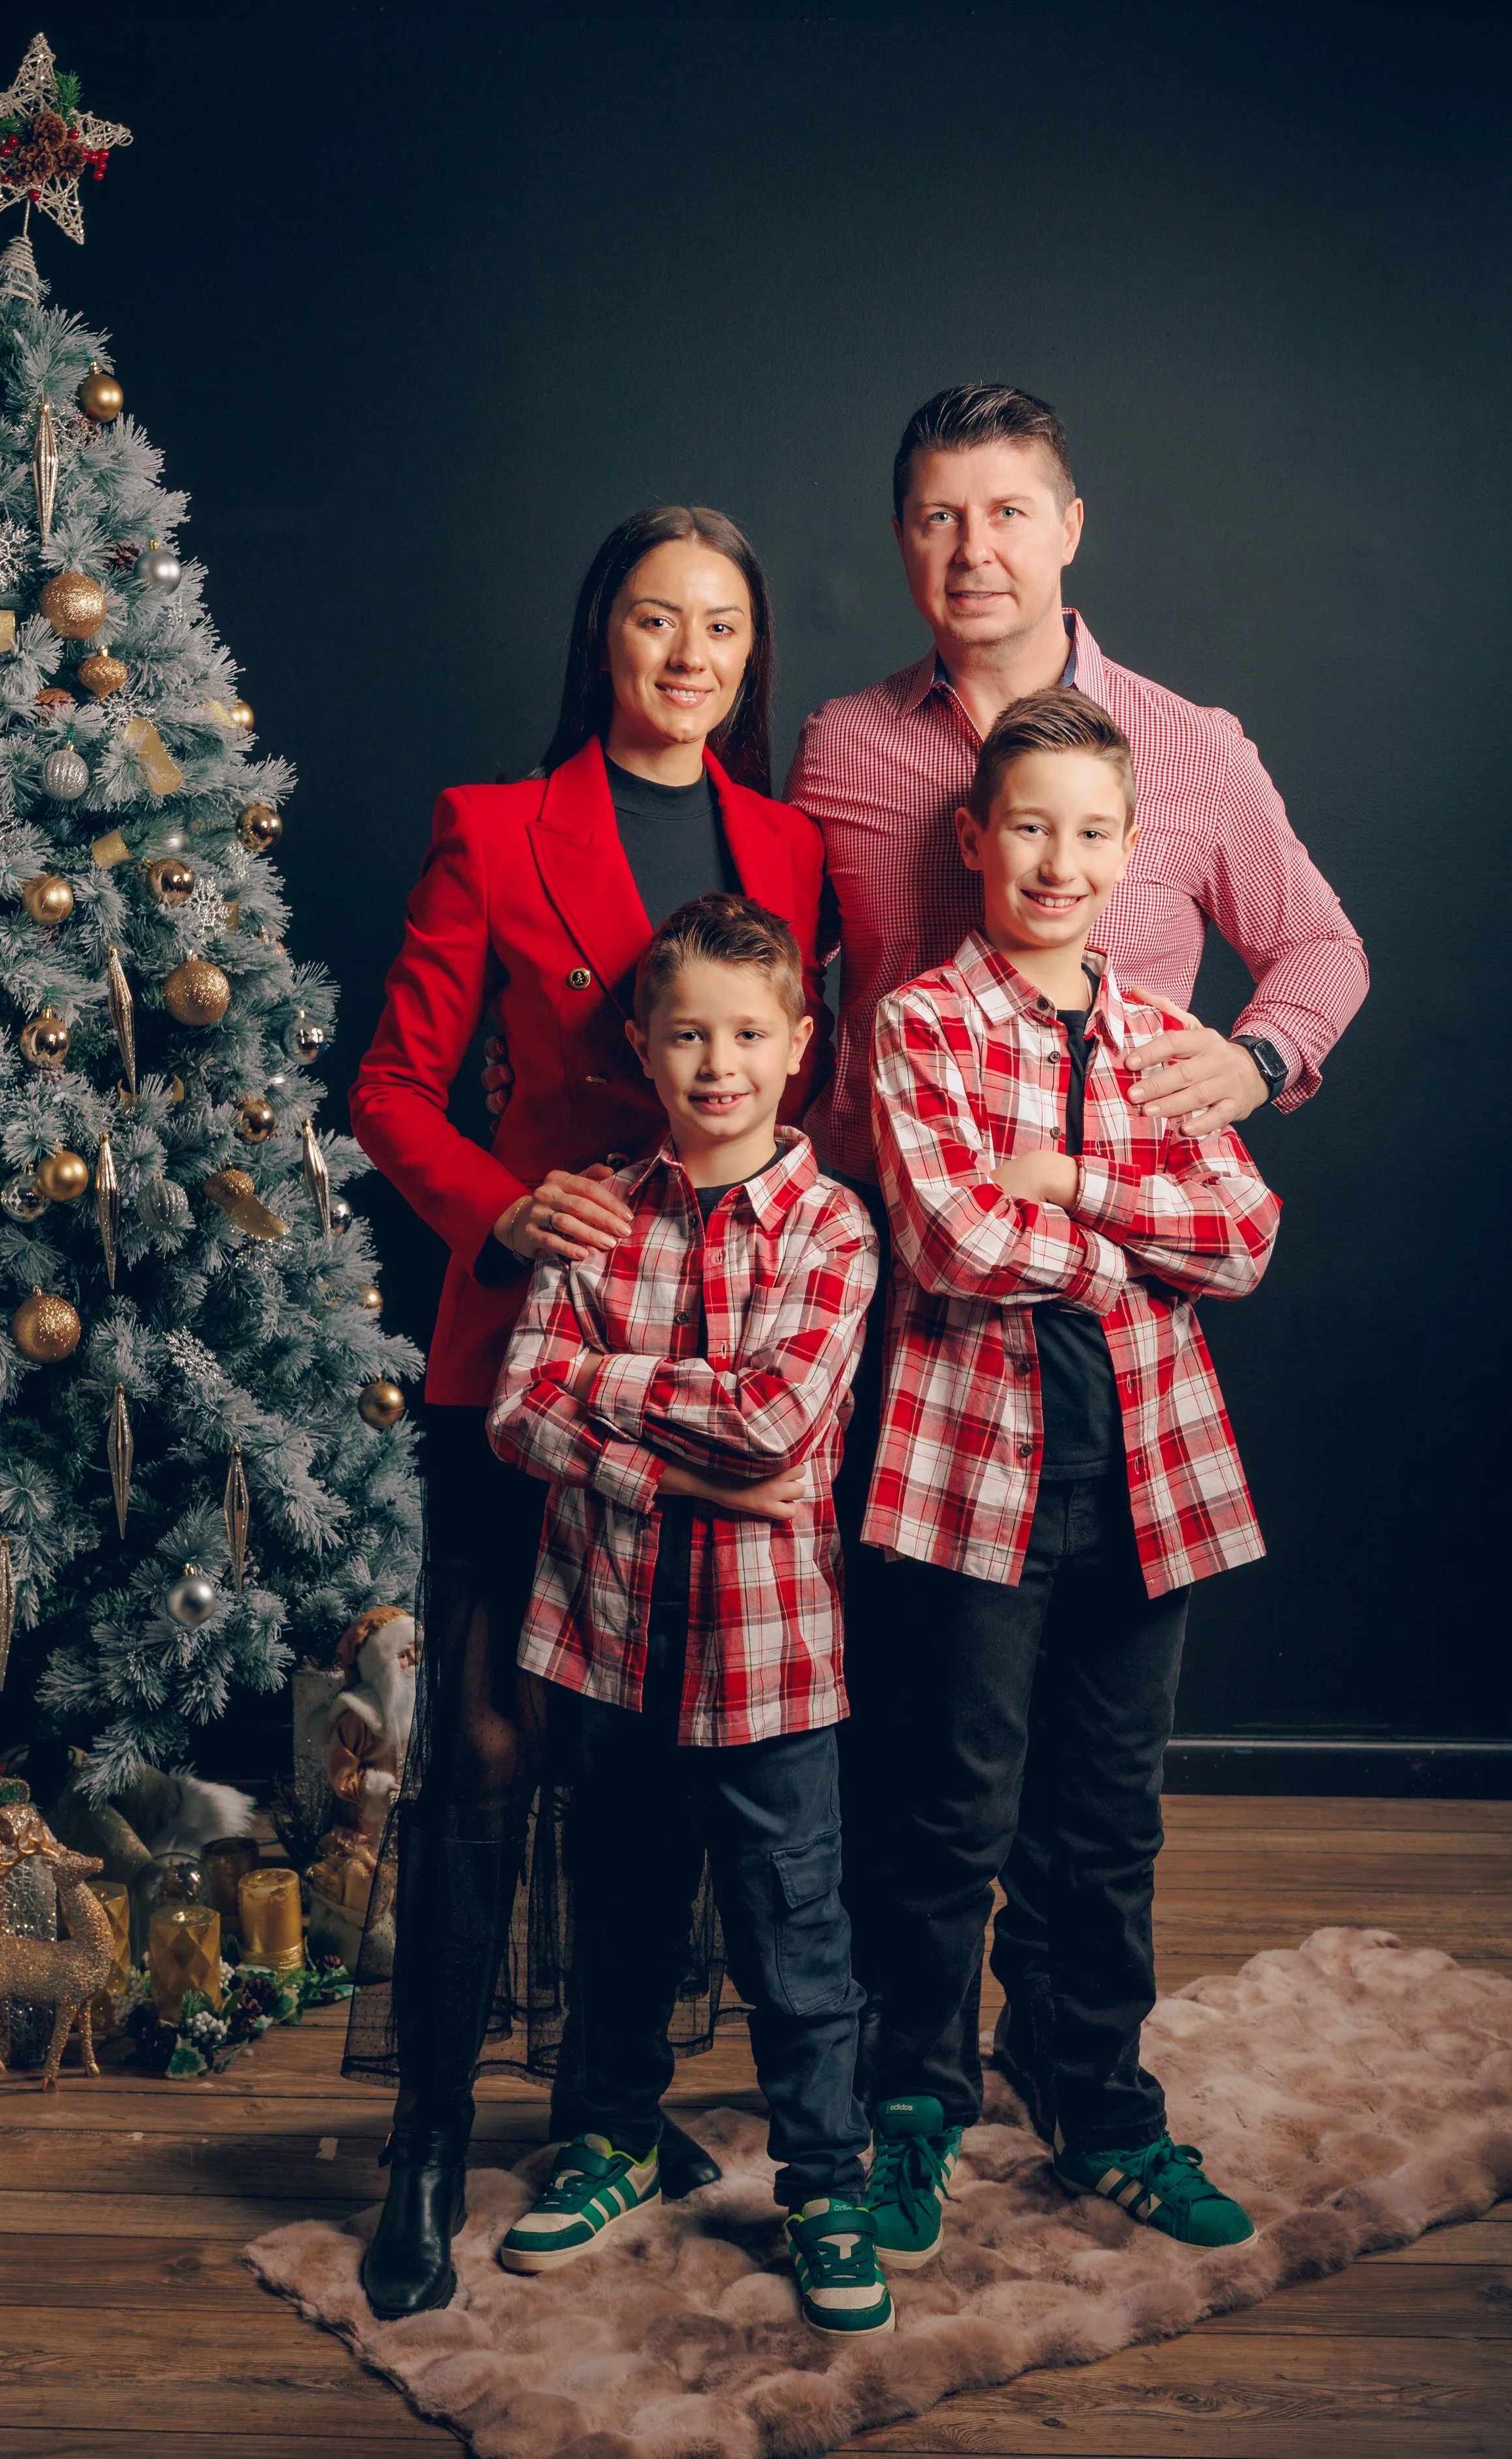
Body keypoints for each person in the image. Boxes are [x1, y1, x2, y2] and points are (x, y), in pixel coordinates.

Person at [784, 382, 1367, 2126]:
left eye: (1007, 510)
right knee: (934, 1749)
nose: (974, 548)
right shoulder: (836, 748)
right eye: (937, 516)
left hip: (1126, 1323)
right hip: (909, 1305)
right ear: (902, 540)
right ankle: (909, 2082)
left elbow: (1316, 952)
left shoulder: (1190, 747)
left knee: (1100, 1766)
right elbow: (791, 1001)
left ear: (1069, 525)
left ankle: (1072, 2053)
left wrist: (1249, 1065)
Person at [348, 508, 833, 2319]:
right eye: (654, 619)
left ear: (748, 653)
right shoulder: (492, 825)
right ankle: (420, 2144)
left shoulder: (789, 843)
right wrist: (497, 1201)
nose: (688, 653)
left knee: (671, 1737)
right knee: (480, 1749)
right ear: (604, 638)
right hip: (524, 1345)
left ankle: (608, 2102)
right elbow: (394, 1084)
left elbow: (808, 1067)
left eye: (720, 625)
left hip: (714, 1350)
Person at [859, 689, 1279, 2266]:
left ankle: (1094, 2094)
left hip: (1147, 1474)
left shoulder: (1169, 1042)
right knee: (948, 1811)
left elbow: (1242, 1239)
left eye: (1089, 833)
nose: (1056, 861)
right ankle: (912, 2102)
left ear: (1127, 854)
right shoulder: (921, 1025)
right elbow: (952, 1239)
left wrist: (1070, 1181)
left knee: (1104, 1820)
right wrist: (1121, 1251)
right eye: (1027, 825)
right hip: (973, 1473)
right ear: (974, 839)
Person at [486, 893, 888, 2338]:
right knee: (622, 1913)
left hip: (771, 1662)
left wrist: (607, 1396)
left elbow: (781, 1421)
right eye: (685, 1036)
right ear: (645, 1053)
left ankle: (825, 2181)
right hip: (606, 1641)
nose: (715, 1064)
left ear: (795, 1050)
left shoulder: (832, 1227)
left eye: (744, 1035)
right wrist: (690, 1484)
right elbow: (518, 1414)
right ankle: (608, 2141)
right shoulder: (593, 1212)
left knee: (795, 1934)